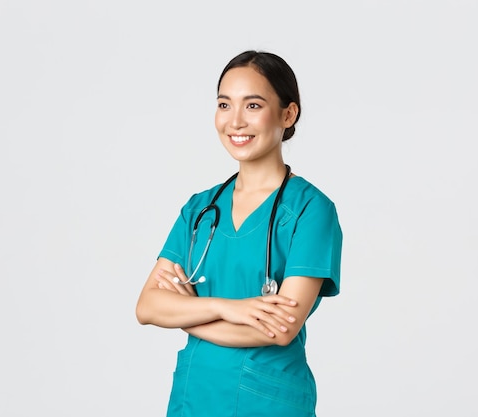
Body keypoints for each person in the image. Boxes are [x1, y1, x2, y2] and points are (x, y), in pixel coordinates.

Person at [136, 50, 343, 417]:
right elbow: (148, 306)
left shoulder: (311, 211)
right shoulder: (200, 209)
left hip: (267, 400)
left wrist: (188, 314)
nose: (235, 121)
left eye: (253, 106)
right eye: (224, 104)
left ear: (288, 114)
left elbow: (279, 330)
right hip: (194, 395)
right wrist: (230, 308)